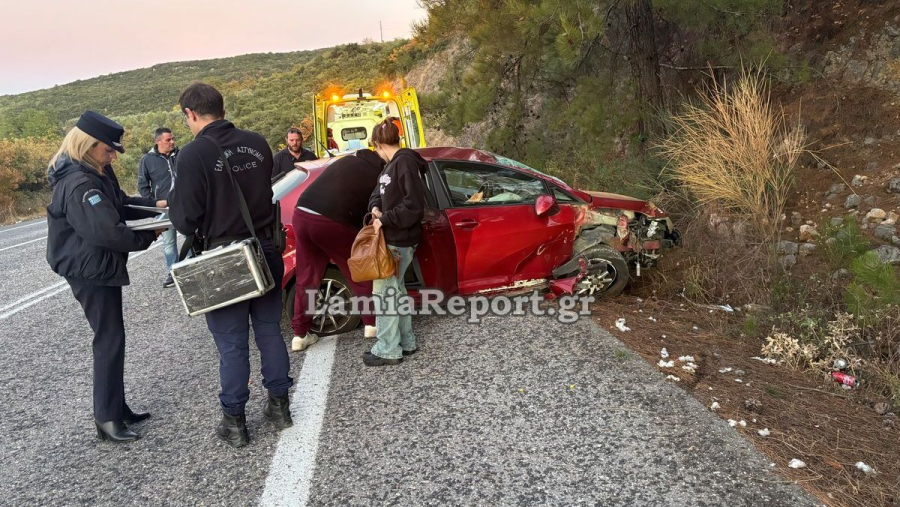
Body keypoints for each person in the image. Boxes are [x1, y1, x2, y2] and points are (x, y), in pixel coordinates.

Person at [168, 83, 294, 448]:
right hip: (264, 250)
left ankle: (235, 422)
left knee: (232, 344)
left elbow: (186, 219)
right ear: (221, 108)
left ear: (191, 114)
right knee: (269, 332)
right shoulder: (257, 142)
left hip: (224, 260)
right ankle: (279, 406)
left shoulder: (192, 155)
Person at [46, 111, 166, 442]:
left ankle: (116, 407)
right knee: (108, 339)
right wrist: (150, 235)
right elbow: (107, 232)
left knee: (114, 337)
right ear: (89, 145)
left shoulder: (97, 169)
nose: (113, 154)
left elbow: (122, 204)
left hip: (97, 263)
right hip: (88, 269)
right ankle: (107, 419)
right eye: (109, 149)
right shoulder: (79, 183)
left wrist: (158, 206)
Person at [290, 149, 383, 351]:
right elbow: (368, 211)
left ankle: (300, 334)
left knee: (307, 277)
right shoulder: (375, 175)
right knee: (358, 270)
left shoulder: (346, 161)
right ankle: (372, 324)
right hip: (330, 221)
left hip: (301, 214)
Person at [365, 118, 428, 367]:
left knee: (385, 295)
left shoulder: (404, 163)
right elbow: (376, 193)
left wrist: (386, 219)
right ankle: (406, 342)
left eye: (375, 148)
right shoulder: (390, 166)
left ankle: (388, 349)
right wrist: (376, 207)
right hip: (392, 239)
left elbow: (414, 206)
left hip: (398, 240)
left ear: (379, 144)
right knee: (396, 291)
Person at [137, 127, 179, 287]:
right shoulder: (147, 160)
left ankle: (191, 267)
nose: (172, 142)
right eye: (169, 140)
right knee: (169, 242)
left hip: (183, 205)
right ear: (158, 141)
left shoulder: (180, 155)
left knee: (190, 236)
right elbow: (142, 185)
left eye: (173, 138)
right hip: (163, 209)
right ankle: (174, 272)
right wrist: (153, 204)